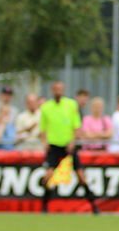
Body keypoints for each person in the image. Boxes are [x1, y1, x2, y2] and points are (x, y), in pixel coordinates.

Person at [39, 80, 98, 214]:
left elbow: (76, 126)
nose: (58, 91)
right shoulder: (46, 107)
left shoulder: (71, 105)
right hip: (54, 145)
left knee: (81, 176)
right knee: (48, 177)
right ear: (52, 91)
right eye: (56, 89)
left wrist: (73, 141)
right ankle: (44, 205)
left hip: (68, 146)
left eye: (61, 89)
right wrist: (44, 142)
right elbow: (43, 128)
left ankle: (93, 205)